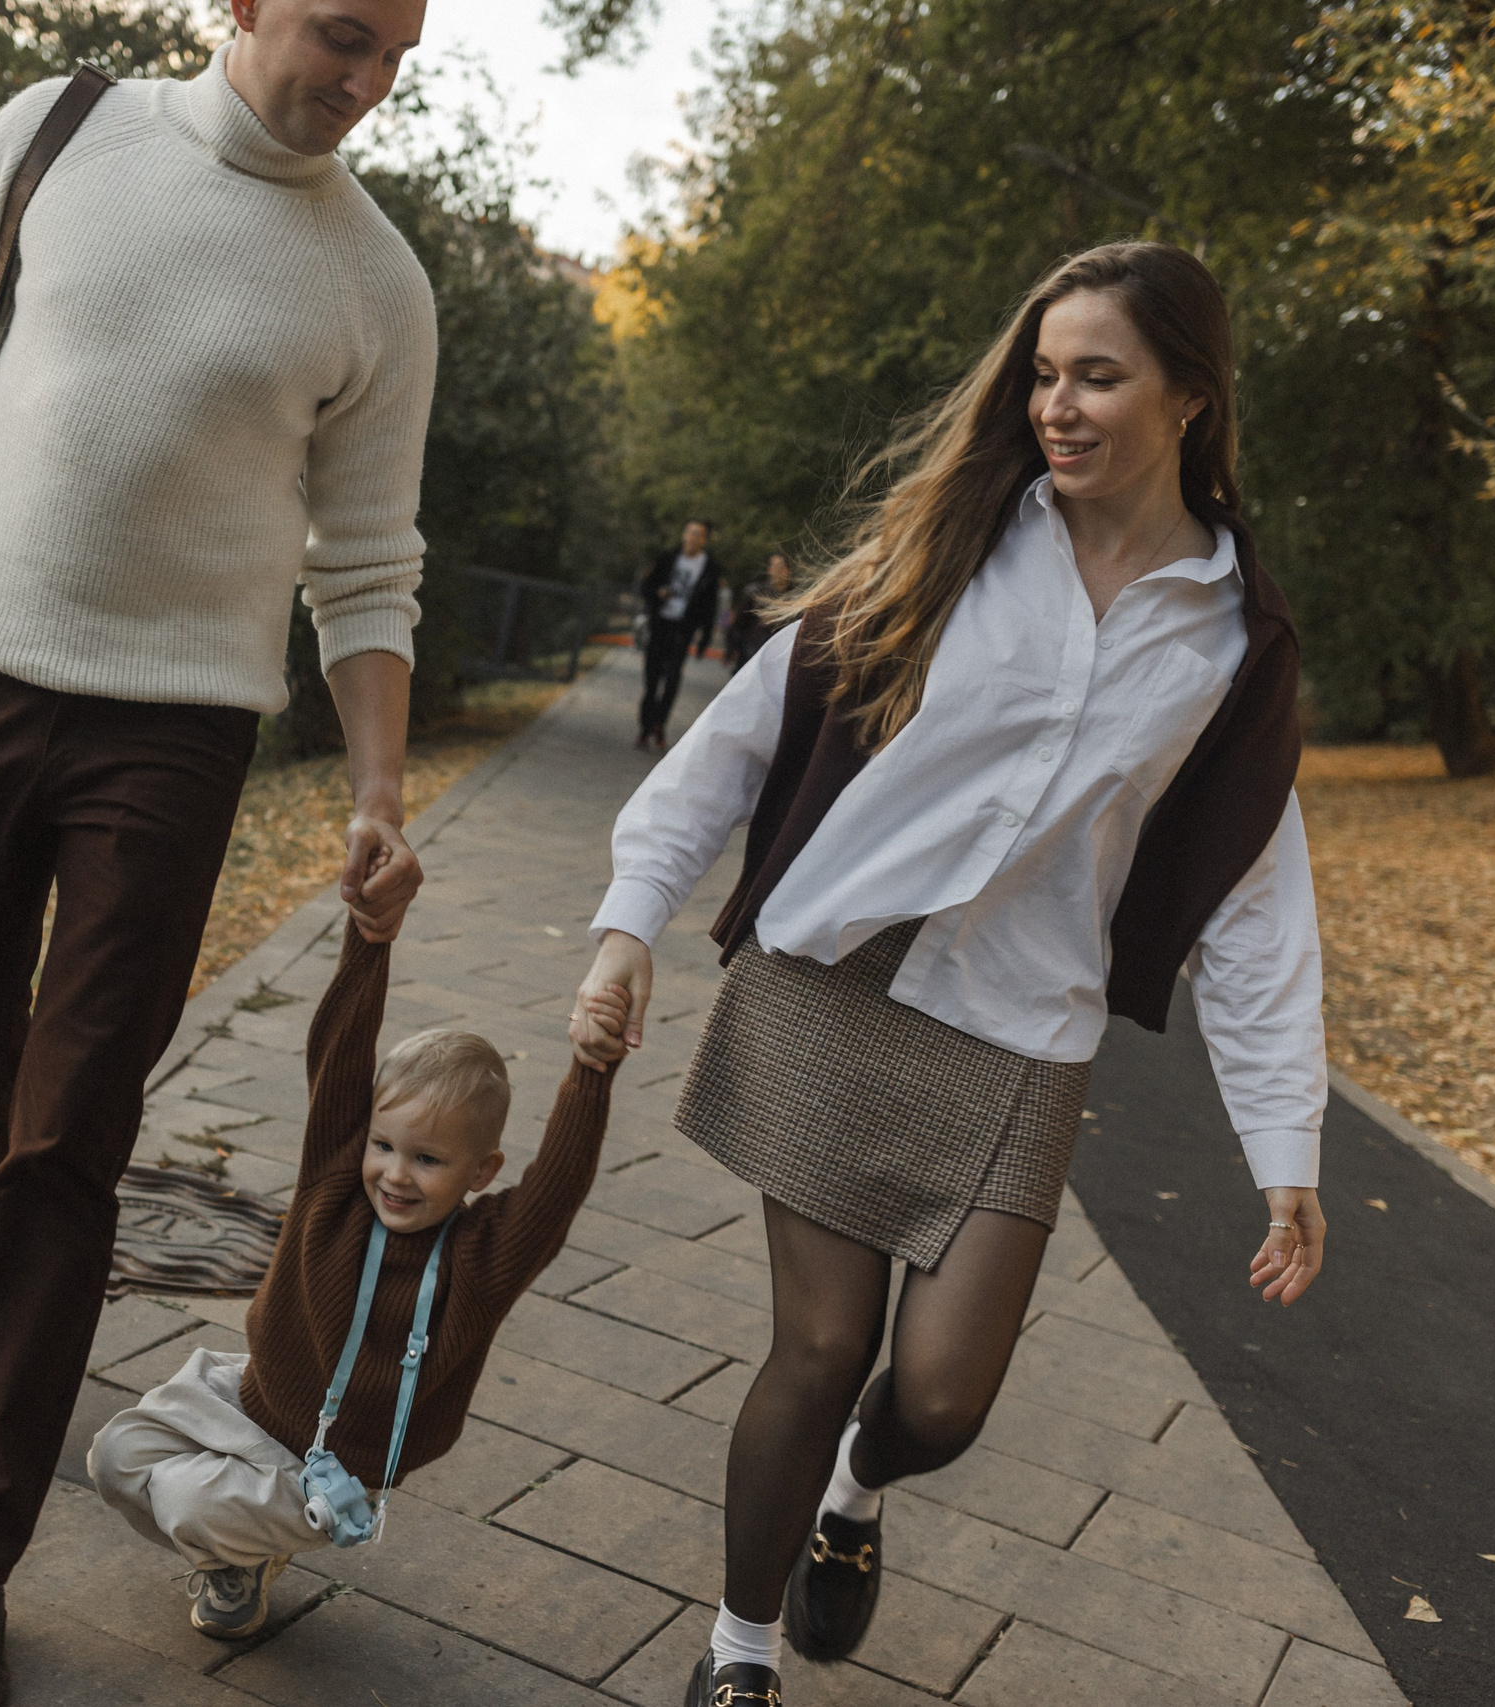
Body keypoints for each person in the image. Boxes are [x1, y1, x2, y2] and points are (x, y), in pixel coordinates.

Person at [0, 4, 436, 1702]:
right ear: (244, 11)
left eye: (396, 57)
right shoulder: (56, 132)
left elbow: (366, 567)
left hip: (177, 735)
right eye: (340, 36)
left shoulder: (378, 285)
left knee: (68, 1144)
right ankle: (14, 1334)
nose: (361, 82)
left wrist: (375, 791)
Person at [568, 242, 1329, 1706]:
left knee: (938, 1395)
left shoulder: (1236, 641)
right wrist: (627, 921)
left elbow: (1254, 897)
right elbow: (736, 737)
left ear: (1191, 397)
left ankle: (857, 1484)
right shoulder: (955, 541)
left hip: (1021, 1029)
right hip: (832, 987)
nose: (1058, 404)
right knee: (825, 1335)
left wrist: (1283, 1141)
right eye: (1044, 373)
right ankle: (737, 1654)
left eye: (1098, 376)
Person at [88, 922, 632, 1638]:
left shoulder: (479, 1260)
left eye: (429, 1159)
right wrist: (369, 937)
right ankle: (240, 1553)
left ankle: (240, 1545)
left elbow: (555, 1189)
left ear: (482, 1171)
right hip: (247, 1394)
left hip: (330, 1468)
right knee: (115, 1456)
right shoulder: (333, 1186)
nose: (396, 1173)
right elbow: (340, 1054)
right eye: (383, 1145)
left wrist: (592, 1069)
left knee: (188, 1504)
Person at [637, 517, 723, 748]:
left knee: (673, 678)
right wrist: (658, 593)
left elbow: (710, 606)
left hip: (683, 629)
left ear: (704, 540)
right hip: (660, 623)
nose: (694, 538)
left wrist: (704, 639)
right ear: (684, 534)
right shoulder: (667, 558)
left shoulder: (710, 569)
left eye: (699, 535)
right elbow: (645, 587)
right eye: (691, 532)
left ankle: (659, 724)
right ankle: (645, 726)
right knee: (652, 678)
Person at [724, 551, 796, 673]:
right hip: (751, 651)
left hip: (778, 657)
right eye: (775, 566)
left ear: (788, 571)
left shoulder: (795, 599)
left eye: (782, 567)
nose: (779, 571)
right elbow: (739, 624)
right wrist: (732, 649)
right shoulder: (755, 593)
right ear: (770, 569)